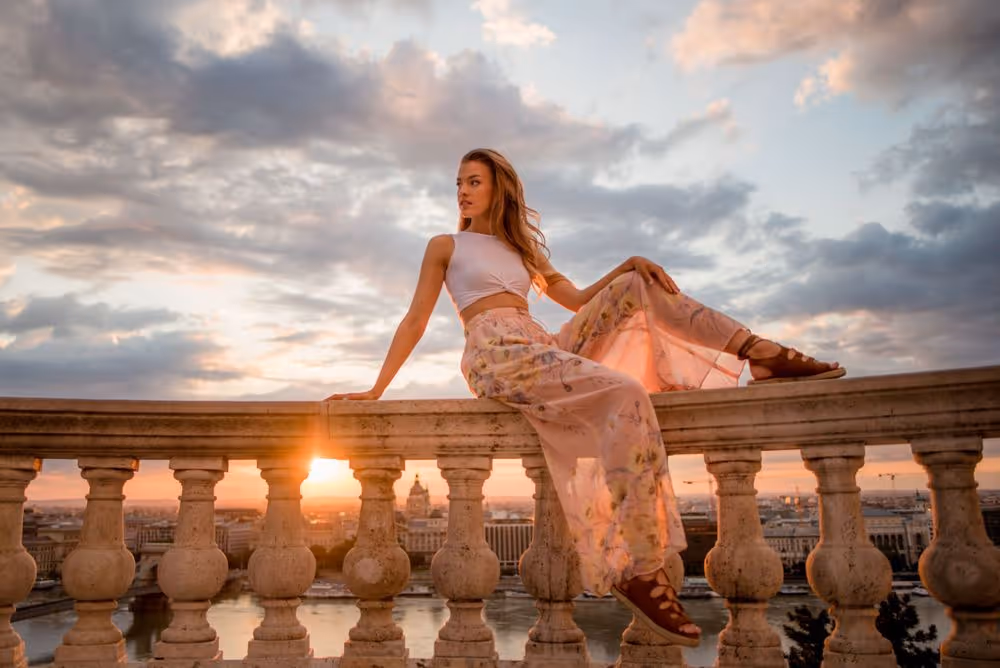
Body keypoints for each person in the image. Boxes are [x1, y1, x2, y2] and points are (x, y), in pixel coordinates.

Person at [325, 148, 845, 646]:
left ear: (499, 188)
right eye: (459, 182)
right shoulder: (445, 245)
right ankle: (638, 566)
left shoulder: (523, 251)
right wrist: (377, 389)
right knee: (625, 391)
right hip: (495, 353)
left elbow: (576, 300)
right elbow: (415, 319)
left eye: (473, 181)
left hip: (540, 343)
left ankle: (758, 352)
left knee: (636, 286)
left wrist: (627, 266)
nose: (462, 190)